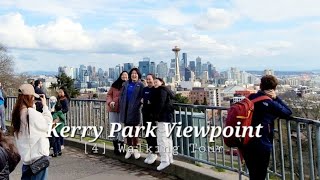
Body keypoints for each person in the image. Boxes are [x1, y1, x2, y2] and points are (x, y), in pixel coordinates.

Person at [241, 75, 292, 180]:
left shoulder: (251, 98)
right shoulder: (270, 103)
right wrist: (276, 98)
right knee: (260, 175)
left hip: (246, 141)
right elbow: (288, 112)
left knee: (253, 173)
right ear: (274, 88)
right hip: (262, 144)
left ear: (260, 85)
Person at [11, 84, 53, 180]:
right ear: (29, 96)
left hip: (26, 161)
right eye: (33, 96)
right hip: (38, 160)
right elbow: (48, 124)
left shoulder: (17, 113)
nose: (34, 98)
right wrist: (45, 107)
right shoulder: (31, 113)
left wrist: (32, 107)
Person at [119, 68, 144, 160]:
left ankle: (135, 149)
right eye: (132, 73)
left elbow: (143, 96)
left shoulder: (140, 85)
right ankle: (129, 149)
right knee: (127, 131)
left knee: (134, 131)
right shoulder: (126, 84)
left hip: (134, 110)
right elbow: (121, 95)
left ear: (138, 75)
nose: (134, 75)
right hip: (125, 110)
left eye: (136, 73)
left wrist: (140, 103)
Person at [151, 78, 175, 171]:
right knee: (167, 138)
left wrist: (155, 116)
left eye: (157, 81)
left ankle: (165, 160)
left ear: (162, 83)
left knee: (162, 139)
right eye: (154, 82)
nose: (155, 83)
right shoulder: (165, 90)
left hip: (162, 118)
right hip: (167, 118)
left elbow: (160, 104)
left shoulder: (161, 90)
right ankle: (169, 158)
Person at [106, 71, 128, 155]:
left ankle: (122, 147)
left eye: (126, 76)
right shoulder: (114, 85)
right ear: (120, 76)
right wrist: (110, 102)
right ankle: (116, 147)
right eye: (123, 75)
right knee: (114, 128)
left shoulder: (128, 85)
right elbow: (108, 95)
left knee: (122, 129)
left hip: (123, 110)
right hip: (113, 109)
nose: (124, 77)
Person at [141, 74, 158, 164]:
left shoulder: (156, 89)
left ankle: (154, 152)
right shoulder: (145, 89)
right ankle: (150, 151)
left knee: (152, 134)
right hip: (145, 114)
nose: (148, 81)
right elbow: (143, 100)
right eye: (147, 79)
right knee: (147, 133)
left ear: (153, 79)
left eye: (150, 79)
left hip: (152, 115)